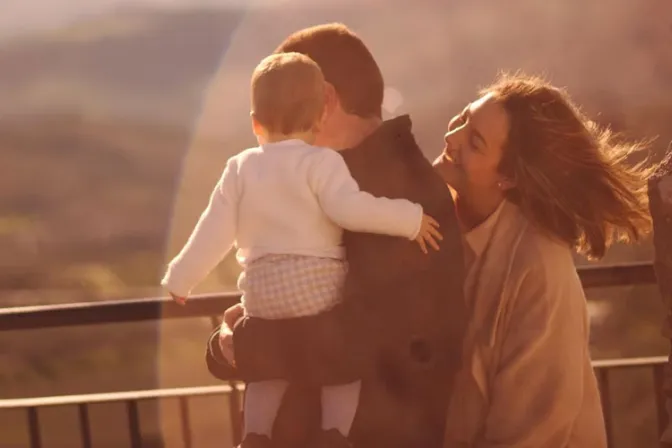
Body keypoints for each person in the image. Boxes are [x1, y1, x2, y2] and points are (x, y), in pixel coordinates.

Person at [161, 51, 444, 448]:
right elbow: (351, 210)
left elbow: (214, 229)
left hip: (262, 296)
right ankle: (335, 433)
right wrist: (410, 219)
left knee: (265, 371)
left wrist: (181, 278)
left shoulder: (239, 168)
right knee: (344, 366)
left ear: (255, 123)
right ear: (320, 116)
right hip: (316, 293)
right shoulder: (322, 163)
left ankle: (255, 434)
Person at [433, 73, 653, 447]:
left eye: (475, 142)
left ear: (508, 177)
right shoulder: (432, 223)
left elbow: (528, 434)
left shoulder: (538, 269)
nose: (450, 139)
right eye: (464, 119)